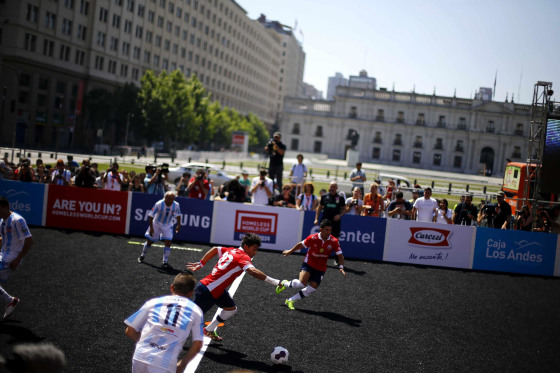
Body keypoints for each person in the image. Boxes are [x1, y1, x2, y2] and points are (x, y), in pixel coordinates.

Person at [185, 233, 283, 341]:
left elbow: (214, 249)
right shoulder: (242, 256)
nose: (255, 253)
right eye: (254, 249)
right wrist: (275, 282)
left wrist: (202, 263)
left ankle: (209, 329)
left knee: (231, 309)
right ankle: (169, 336)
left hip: (215, 290)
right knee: (191, 319)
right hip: (208, 291)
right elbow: (252, 271)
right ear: (246, 247)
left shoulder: (231, 250)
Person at [124, 273, 203, 373]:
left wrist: (147, 345)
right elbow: (198, 344)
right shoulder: (196, 311)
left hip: (140, 356)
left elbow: (129, 331)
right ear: (191, 293)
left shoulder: (153, 302)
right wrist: (182, 365)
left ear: (172, 287)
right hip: (165, 362)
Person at [275, 219, 346, 310]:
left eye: (330, 230)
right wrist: (290, 251)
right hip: (309, 263)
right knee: (301, 283)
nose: (329, 232)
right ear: (321, 229)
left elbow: (340, 255)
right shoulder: (313, 238)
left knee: (312, 289)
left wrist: (341, 267)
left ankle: (290, 300)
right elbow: (301, 244)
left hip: (321, 267)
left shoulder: (334, 241)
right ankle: (285, 284)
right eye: (326, 230)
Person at [0, 196, 33, 319]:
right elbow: (4, 238)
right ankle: (11, 301)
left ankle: (10, 300)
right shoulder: (2, 221)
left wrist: (18, 259)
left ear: (6, 207)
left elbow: (29, 240)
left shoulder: (18, 220)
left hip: (11, 258)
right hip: (2, 255)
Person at [138, 191, 182, 269]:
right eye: (168, 198)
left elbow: (178, 215)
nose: (170, 200)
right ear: (165, 198)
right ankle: (143, 255)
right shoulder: (159, 204)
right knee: (150, 241)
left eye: (172, 198)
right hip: (156, 224)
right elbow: (151, 216)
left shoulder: (176, 205)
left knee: (168, 242)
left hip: (168, 225)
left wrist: (179, 225)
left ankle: (165, 262)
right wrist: (151, 228)